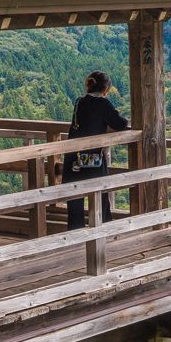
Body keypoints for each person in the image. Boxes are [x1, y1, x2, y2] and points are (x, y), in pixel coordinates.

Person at [63, 71, 129, 229]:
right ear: (106, 89)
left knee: (75, 197)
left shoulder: (79, 102)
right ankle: (103, 229)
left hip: (74, 156)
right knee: (101, 194)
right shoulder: (103, 104)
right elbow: (120, 123)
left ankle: (75, 232)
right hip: (92, 158)